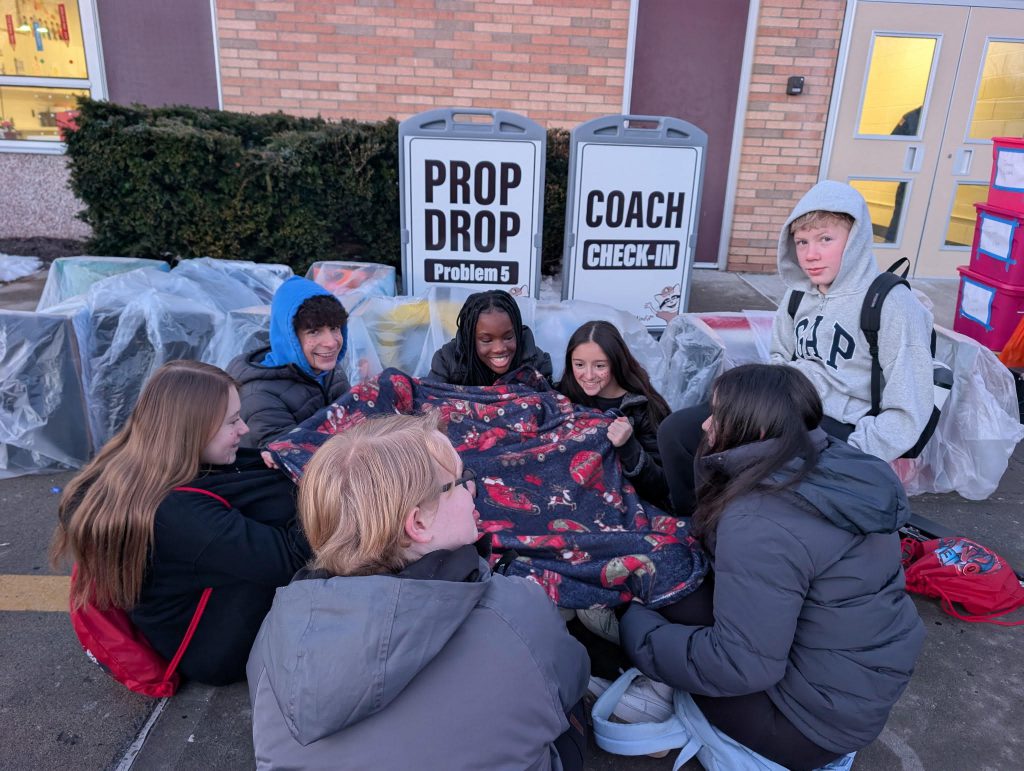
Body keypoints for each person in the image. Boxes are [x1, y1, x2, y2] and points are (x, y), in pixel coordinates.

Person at [620, 364, 925, 771]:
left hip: (807, 730)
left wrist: (638, 632)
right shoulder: (844, 465)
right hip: (858, 690)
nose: (707, 425)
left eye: (718, 414)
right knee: (684, 581)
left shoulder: (758, 520)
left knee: (662, 589)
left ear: (759, 432)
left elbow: (740, 666)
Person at [247, 413, 590, 770]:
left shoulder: (277, 629)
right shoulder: (517, 612)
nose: (472, 490)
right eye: (461, 480)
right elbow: (574, 676)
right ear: (418, 523)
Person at [658, 180, 934, 515]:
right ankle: (693, 523)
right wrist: (744, 406)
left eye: (825, 239)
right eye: (801, 241)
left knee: (759, 474)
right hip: (786, 410)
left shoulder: (890, 303)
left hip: (843, 428)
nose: (810, 254)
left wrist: (856, 454)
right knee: (679, 433)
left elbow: (909, 407)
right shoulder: (798, 295)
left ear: (856, 240)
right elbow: (779, 361)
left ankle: (738, 532)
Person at [51, 360, 311, 686]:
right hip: (215, 648)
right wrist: (319, 489)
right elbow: (288, 559)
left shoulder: (141, 462)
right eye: (232, 421)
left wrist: (291, 458)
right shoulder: (176, 513)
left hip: (199, 605)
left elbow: (247, 475)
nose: (244, 429)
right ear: (191, 430)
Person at [227, 276, 350, 450]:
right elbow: (293, 459)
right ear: (289, 337)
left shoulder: (326, 369)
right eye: (314, 331)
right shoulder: (259, 397)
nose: (331, 342)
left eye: (334, 328)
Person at [557, 320, 670, 509]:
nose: (589, 375)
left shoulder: (646, 409)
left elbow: (662, 485)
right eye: (579, 365)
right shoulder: (561, 398)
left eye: (600, 366)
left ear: (617, 363)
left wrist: (629, 447)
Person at [428, 289, 553, 386]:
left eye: (508, 337)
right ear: (469, 339)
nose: (499, 348)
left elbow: (551, 407)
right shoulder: (446, 361)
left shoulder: (536, 362)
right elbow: (429, 404)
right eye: (486, 340)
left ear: (517, 333)